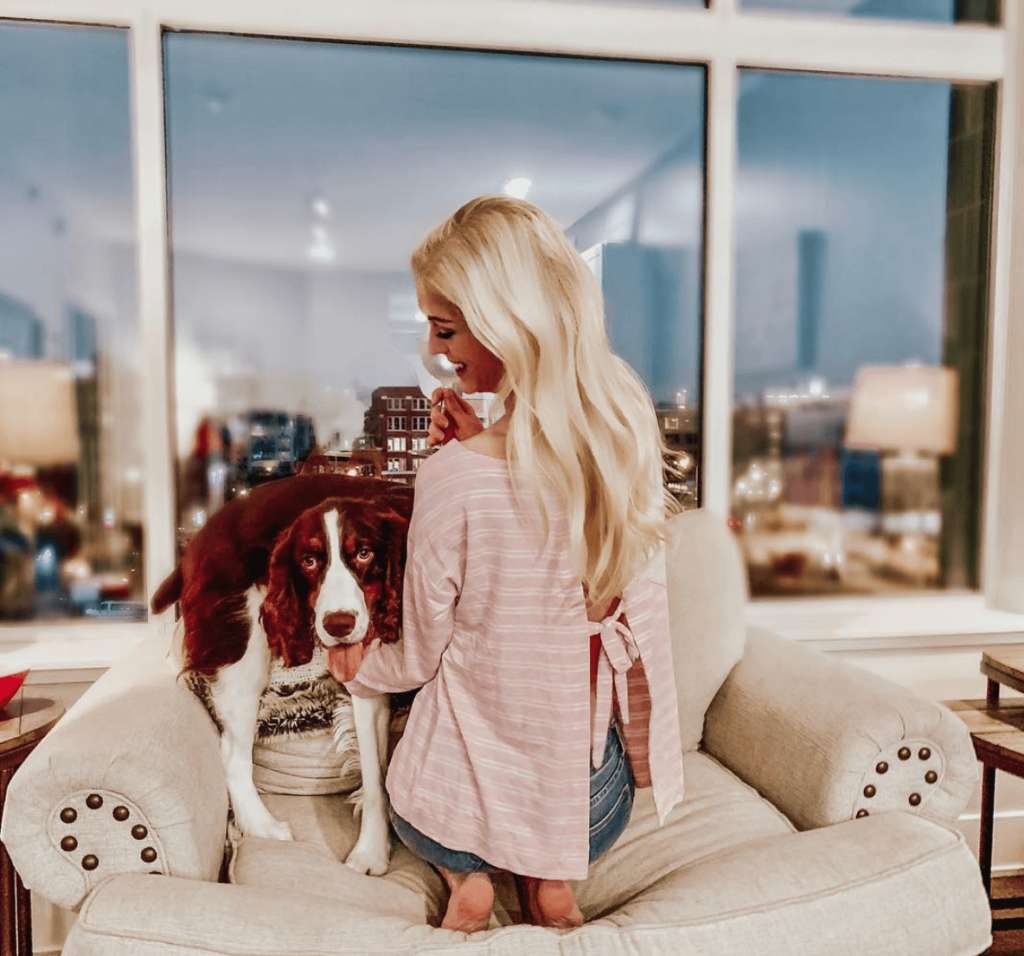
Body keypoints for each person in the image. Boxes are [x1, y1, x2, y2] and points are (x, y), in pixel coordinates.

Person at [337, 195, 686, 933]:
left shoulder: (455, 478)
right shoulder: (623, 435)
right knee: (569, 757)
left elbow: (422, 651)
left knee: (419, 790)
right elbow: (537, 475)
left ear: (507, 324)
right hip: (588, 806)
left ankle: (466, 881)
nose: (436, 353)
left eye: (445, 328)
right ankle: (551, 884)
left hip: (460, 806)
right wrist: (478, 434)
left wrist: (356, 665)